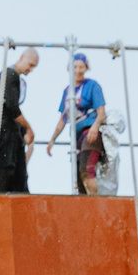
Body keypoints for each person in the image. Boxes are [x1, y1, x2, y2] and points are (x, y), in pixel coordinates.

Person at [46, 51, 108, 195]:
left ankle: (95, 202)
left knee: (86, 169)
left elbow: (101, 111)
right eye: (75, 67)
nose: (78, 70)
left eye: (81, 67)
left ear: (86, 68)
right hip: (76, 135)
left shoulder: (92, 86)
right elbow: (63, 118)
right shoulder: (68, 91)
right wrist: (52, 140)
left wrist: (95, 126)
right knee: (79, 177)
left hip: (90, 131)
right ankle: (85, 208)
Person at [0, 46, 38, 194]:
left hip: (12, 130)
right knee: (8, 169)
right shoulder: (10, 75)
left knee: (20, 174)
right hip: (5, 129)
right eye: (30, 65)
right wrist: (28, 128)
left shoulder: (8, 77)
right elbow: (12, 106)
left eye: (33, 67)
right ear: (22, 58)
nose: (30, 69)